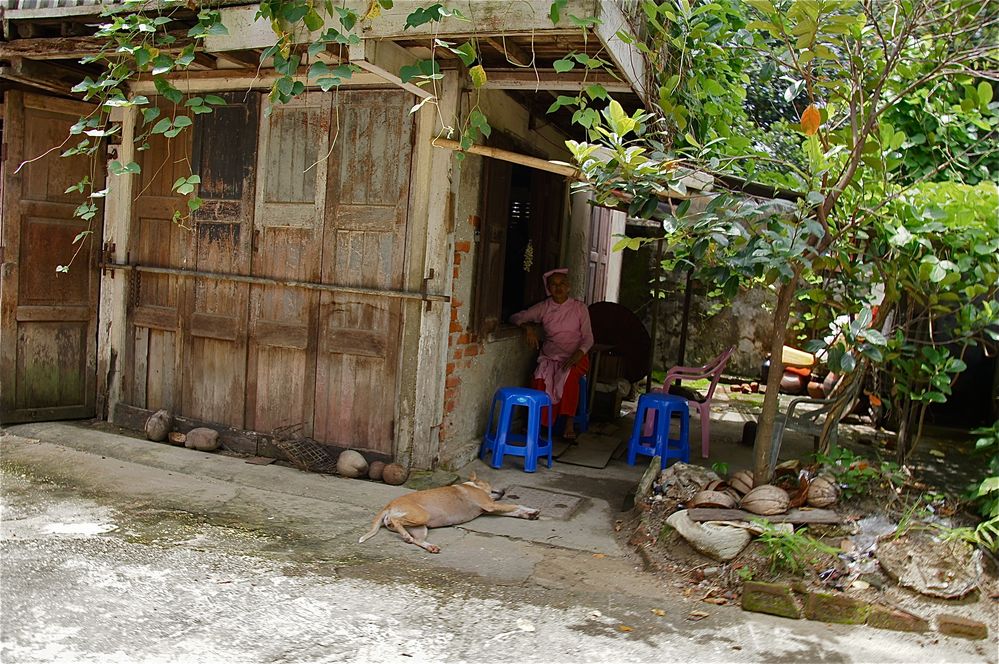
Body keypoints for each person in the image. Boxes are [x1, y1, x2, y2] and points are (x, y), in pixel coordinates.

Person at [510, 268, 593, 441]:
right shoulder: (544, 307)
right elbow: (516, 317)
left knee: (568, 377)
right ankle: (538, 422)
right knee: (540, 378)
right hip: (550, 356)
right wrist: (527, 327)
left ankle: (569, 421)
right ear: (549, 288)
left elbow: (588, 338)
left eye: (562, 283)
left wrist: (579, 353)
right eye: (553, 285)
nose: (558, 288)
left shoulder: (579, 308)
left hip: (576, 356)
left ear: (568, 286)